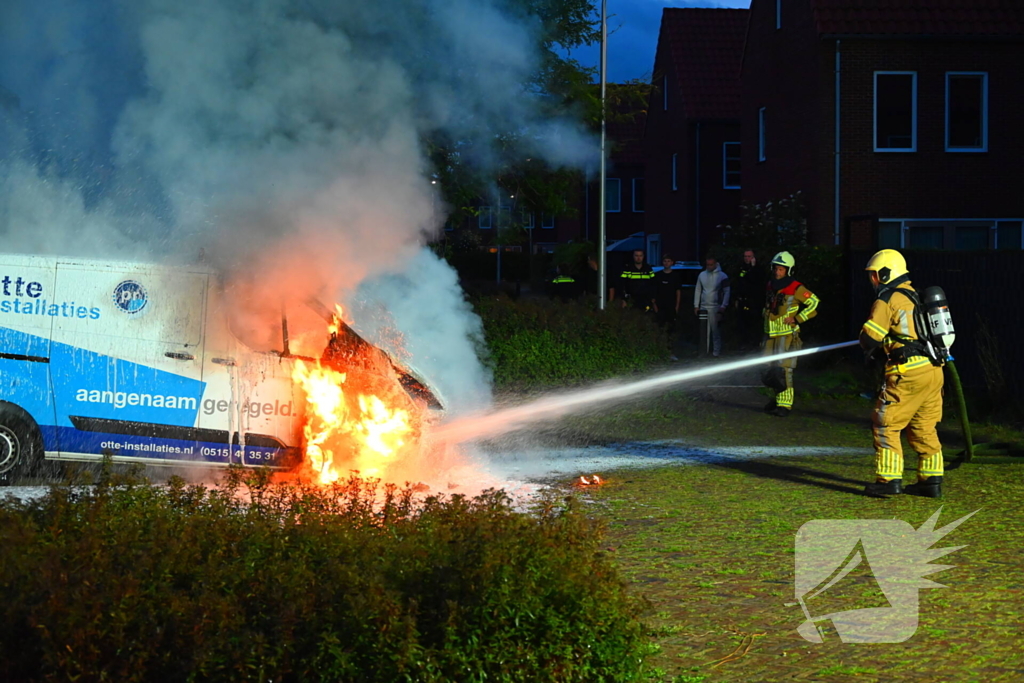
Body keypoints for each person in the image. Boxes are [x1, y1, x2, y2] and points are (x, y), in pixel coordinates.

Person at [860, 249, 945, 498]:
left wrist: (864, 340)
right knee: (924, 426)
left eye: (875, 275)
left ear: (886, 274)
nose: (873, 280)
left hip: (907, 373)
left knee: (886, 424)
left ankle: (888, 480)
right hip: (932, 370)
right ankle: (930, 480)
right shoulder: (915, 296)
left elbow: (871, 337)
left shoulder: (888, 299)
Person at [761, 251, 819, 416]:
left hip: (787, 335)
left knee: (784, 370)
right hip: (769, 333)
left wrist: (798, 318)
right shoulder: (770, 285)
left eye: (781, 269)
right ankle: (779, 398)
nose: (777, 272)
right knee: (767, 370)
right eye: (776, 269)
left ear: (788, 270)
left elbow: (814, 303)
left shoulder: (796, 288)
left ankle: (785, 406)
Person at [693, 255, 730, 357]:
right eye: (707, 265)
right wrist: (696, 305)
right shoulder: (702, 275)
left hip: (715, 306)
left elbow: (727, 292)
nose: (709, 266)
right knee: (704, 330)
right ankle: (705, 350)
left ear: (715, 264)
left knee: (715, 330)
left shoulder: (723, 276)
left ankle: (716, 351)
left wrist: (723, 306)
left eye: (711, 264)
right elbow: (698, 290)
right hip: (704, 306)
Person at [733, 248, 762, 350]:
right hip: (742, 300)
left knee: (753, 324)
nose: (747, 258)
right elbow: (738, 283)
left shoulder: (758, 269)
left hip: (753, 302)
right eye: (745, 256)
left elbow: (756, 282)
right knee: (742, 324)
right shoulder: (741, 268)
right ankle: (743, 344)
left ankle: (754, 345)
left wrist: (753, 268)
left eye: (749, 256)